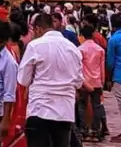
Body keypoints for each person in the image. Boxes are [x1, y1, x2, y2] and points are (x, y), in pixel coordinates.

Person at [18, 11, 84, 147]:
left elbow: (23, 79)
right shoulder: (72, 48)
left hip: (39, 108)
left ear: (38, 29)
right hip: (64, 111)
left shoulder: (35, 46)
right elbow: (78, 82)